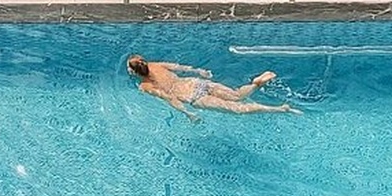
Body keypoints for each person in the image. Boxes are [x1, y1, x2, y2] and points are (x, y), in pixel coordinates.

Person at [126, 55, 297, 119]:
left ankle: (280, 109)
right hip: (197, 83)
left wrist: (188, 114)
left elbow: (169, 98)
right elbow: (182, 68)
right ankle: (256, 83)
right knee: (237, 95)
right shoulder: (157, 64)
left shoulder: (144, 86)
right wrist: (201, 72)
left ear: (134, 71)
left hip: (193, 97)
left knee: (239, 109)